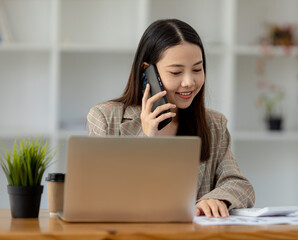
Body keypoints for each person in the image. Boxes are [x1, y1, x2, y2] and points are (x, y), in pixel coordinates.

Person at [87, 19, 255, 218]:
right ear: (147, 73)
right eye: (176, 72)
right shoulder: (106, 118)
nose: (189, 82)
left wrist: (218, 198)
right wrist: (147, 138)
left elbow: (239, 184)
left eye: (197, 69)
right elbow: (98, 194)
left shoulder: (214, 124)